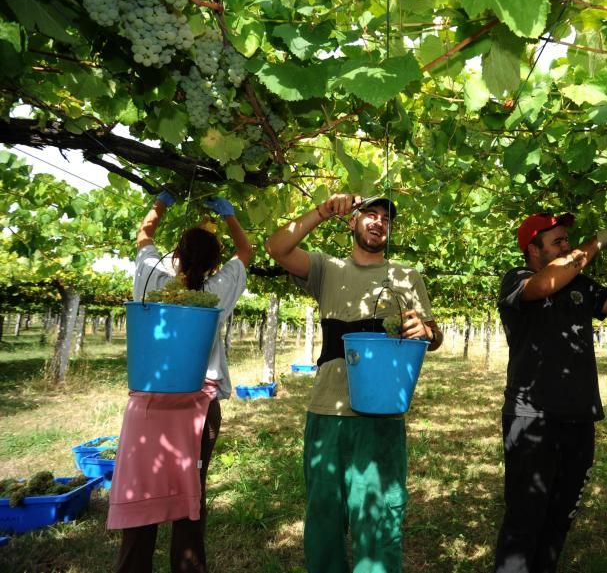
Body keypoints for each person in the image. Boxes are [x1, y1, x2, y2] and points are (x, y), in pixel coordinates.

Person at [265, 193, 442, 573]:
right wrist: (323, 210)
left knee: (378, 517)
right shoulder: (326, 269)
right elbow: (277, 246)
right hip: (327, 412)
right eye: (370, 214)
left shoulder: (406, 276)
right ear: (352, 222)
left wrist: (426, 329)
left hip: (383, 415)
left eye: (385, 218)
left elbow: (433, 335)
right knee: (324, 514)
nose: (378, 222)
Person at [493, 212, 607, 573]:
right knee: (524, 520)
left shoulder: (579, 284)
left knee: (560, 517)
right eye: (558, 241)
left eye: (567, 240)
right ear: (533, 250)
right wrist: (597, 241)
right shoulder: (519, 280)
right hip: (532, 418)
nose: (568, 246)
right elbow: (545, 285)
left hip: (579, 418)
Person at [109, 191, 251, 573]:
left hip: (148, 405)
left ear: (176, 252)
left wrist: (162, 202)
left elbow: (144, 233)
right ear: (214, 264)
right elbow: (246, 251)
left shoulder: (150, 275)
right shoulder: (216, 292)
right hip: (198, 406)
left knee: (141, 490)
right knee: (191, 491)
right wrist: (230, 217)